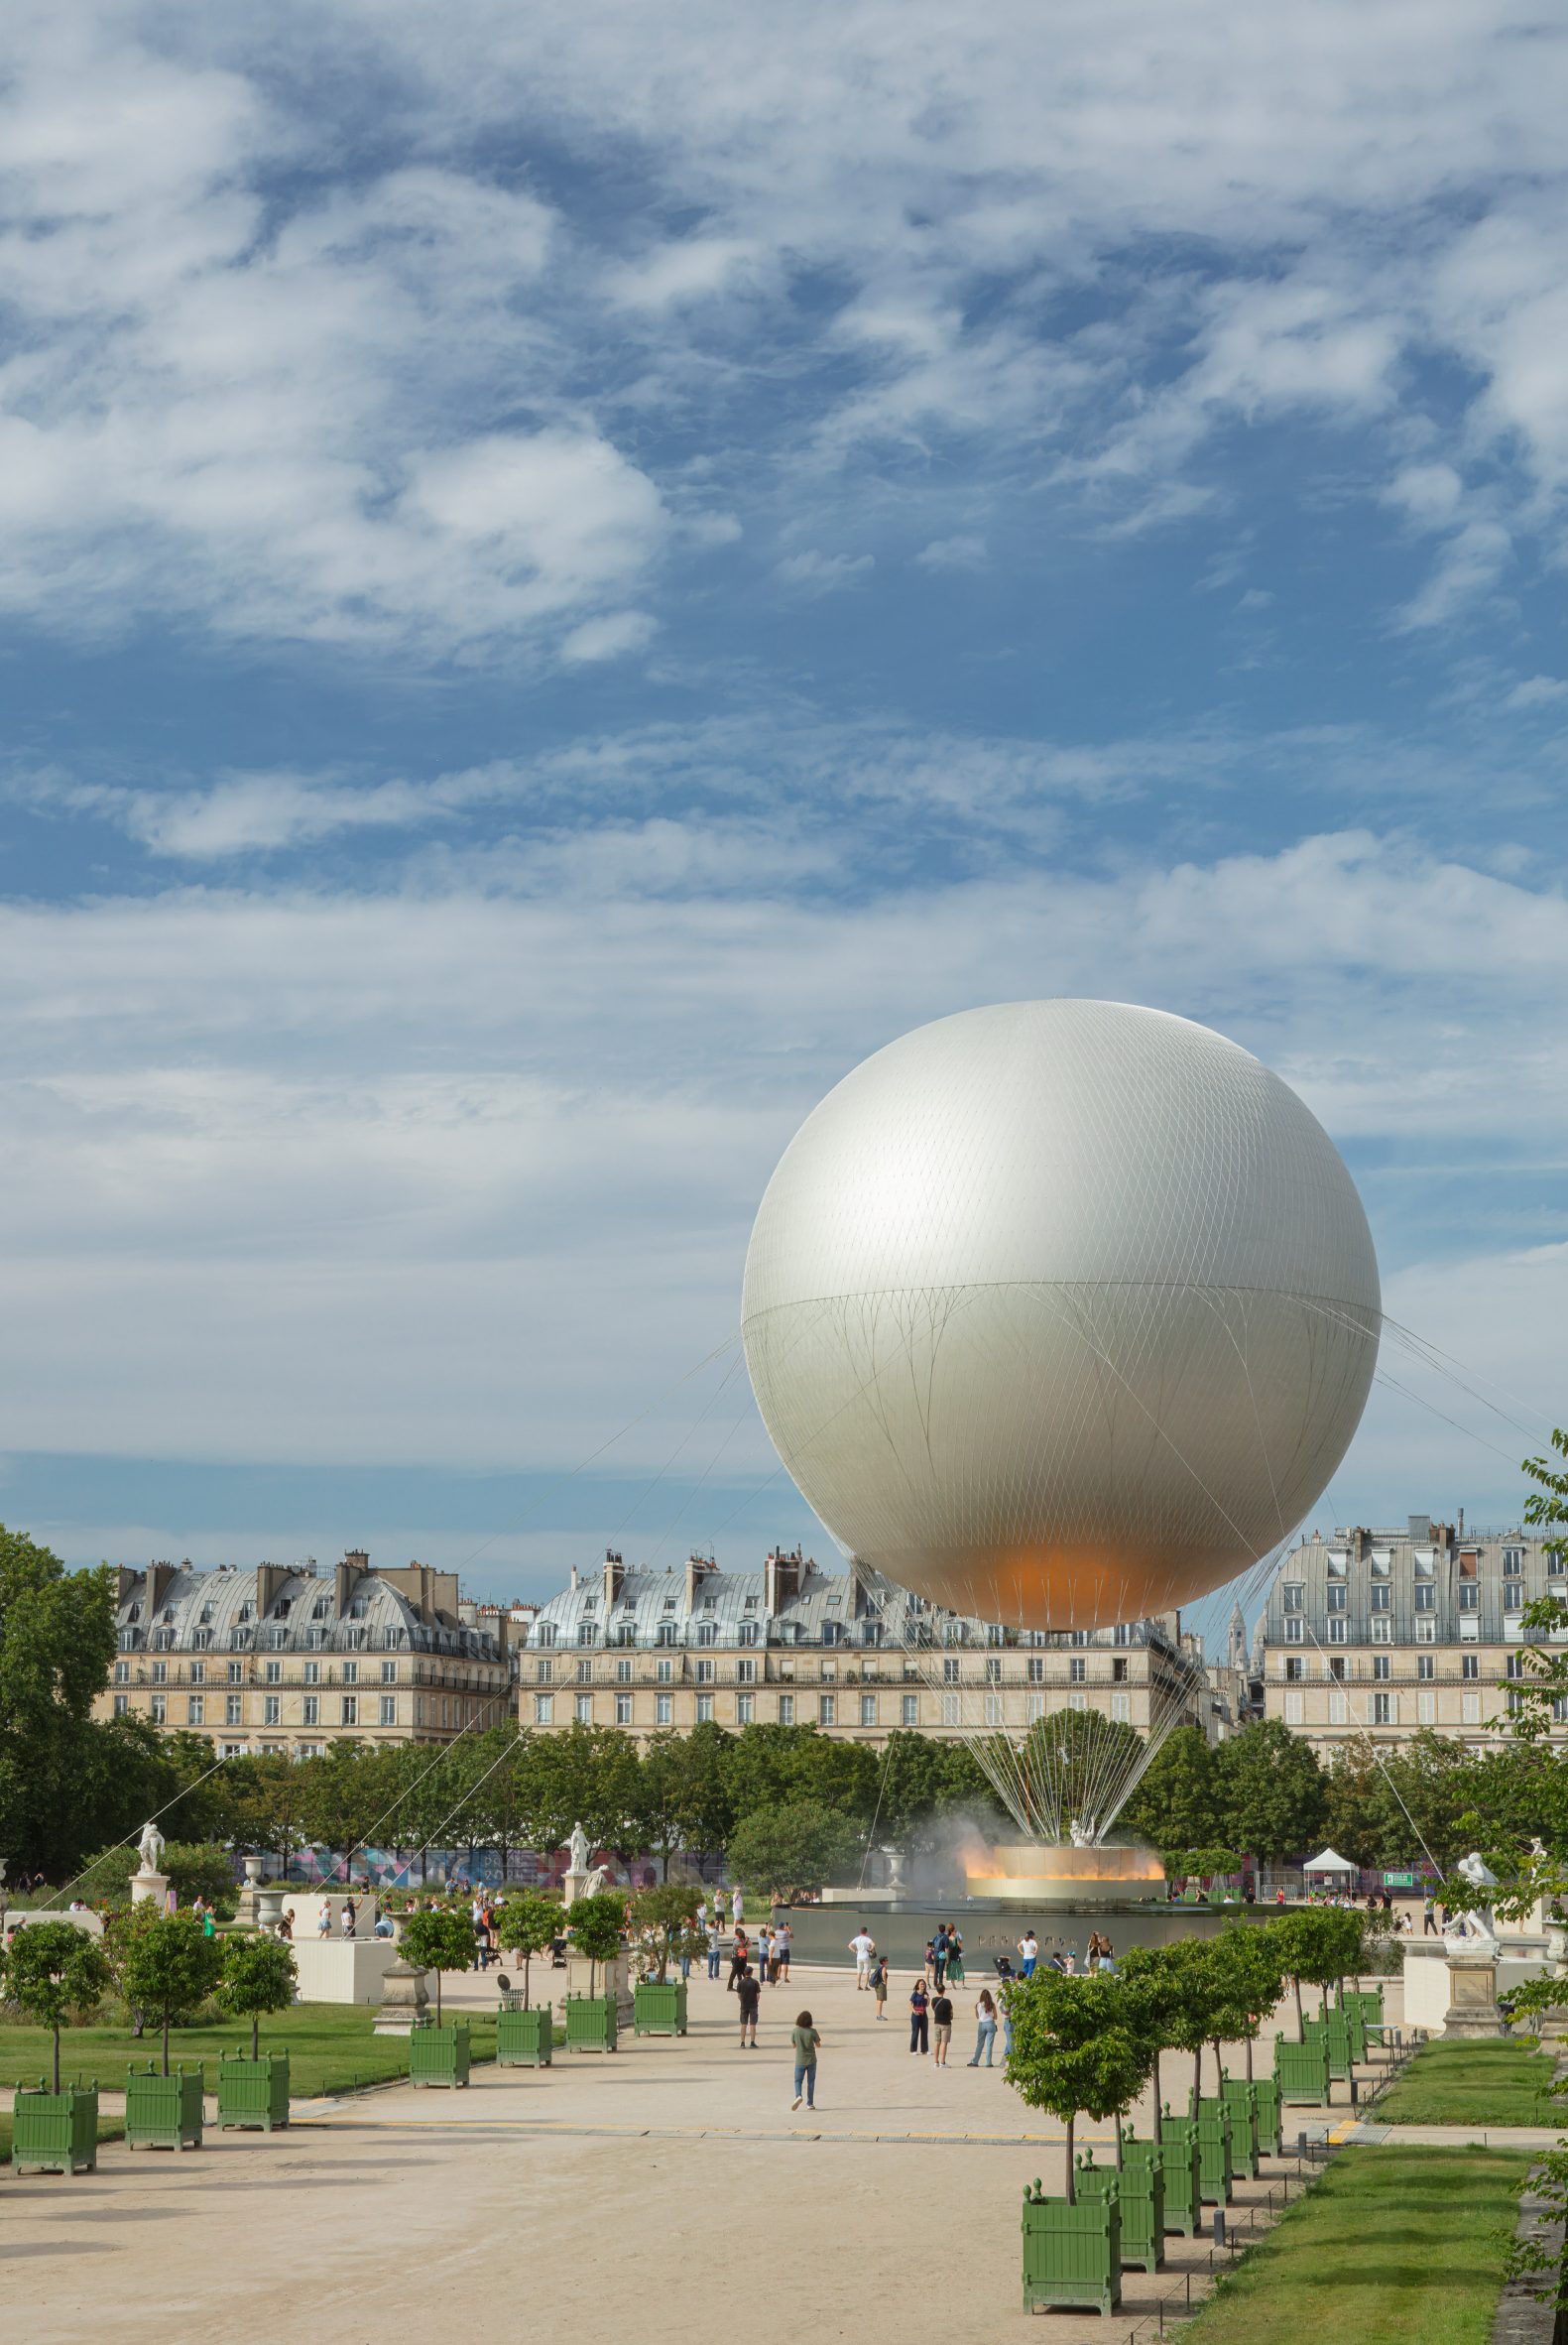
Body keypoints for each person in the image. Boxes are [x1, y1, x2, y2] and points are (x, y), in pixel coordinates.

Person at [790, 2010, 821, 2111]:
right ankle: (810, 2104)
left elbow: (794, 2045)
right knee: (811, 2082)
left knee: (798, 2081)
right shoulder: (813, 2031)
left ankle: (798, 2095)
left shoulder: (795, 2031)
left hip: (800, 2060)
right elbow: (818, 2045)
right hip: (812, 2060)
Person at [967, 1988, 999, 2067]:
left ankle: (975, 2061)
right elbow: (995, 2017)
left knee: (980, 2044)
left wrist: (976, 2010)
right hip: (990, 2023)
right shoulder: (992, 2004)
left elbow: (977, 2016)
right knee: (989, 2044)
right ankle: (988, 2062)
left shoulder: (978, 2004)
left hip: (981, 2024)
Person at [736, 1960, 761, 2048]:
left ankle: (742, 2042)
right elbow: (758, 1995)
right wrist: (756, 2002)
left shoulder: (740, 1982)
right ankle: (752, 2042)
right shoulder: (755, 1982)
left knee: (743, 2024)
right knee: (753, 2024)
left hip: (743, 2005)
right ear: (751, 1973)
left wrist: (742, 2001)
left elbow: (738, 1995)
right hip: (753, 2005)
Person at [931, 1984, 953, 2066]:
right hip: (946, 2024)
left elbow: (933, 2008)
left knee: (937, 2042)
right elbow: (951, 2012)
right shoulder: (947, 2001)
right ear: (944, 1991)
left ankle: (935, 2062)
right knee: (944, 2043)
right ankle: (942, 2062)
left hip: (937, 2022)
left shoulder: (933, 2000)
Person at [908, 1977, 930, 2055]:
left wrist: (928, 1999)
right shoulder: (915, 1993)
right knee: (915, 2031)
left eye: (923, 1984)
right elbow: (910, 2003)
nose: (923, 1985)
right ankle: (913, 2050)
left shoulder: (926, 1994)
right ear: (918, 1985)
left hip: (924, 2015)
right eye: (921, 1984)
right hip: (915, 2015)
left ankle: (924, 2050)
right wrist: (914, 2011)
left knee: (924, 2032)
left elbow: (927, 2005)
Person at [870, 1953, 890, 2021]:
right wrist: (885, 1982)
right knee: (880, 2000)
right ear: (883, 1961)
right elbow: (883, 1975)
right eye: (886, 1960)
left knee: (879, 2000)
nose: (888, 1961)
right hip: (881, 1985)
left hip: (877, 1985)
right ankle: (879, 2015)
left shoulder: (879, 1966)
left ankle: (879, 2015)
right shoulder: (883, 1967)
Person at [932, 1924, 949, 1990]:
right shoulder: (945, 1937)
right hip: (942, 1955)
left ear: (939, 1929)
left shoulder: (936, 1936)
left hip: (936, 1954)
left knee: (936, 1970)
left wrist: (933, 1954)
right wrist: (947, 1958)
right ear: (944, 1930)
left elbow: (933, 1947)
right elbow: (946, 1948)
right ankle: (940, 1984)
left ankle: (935, 1984)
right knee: (941, 1970)